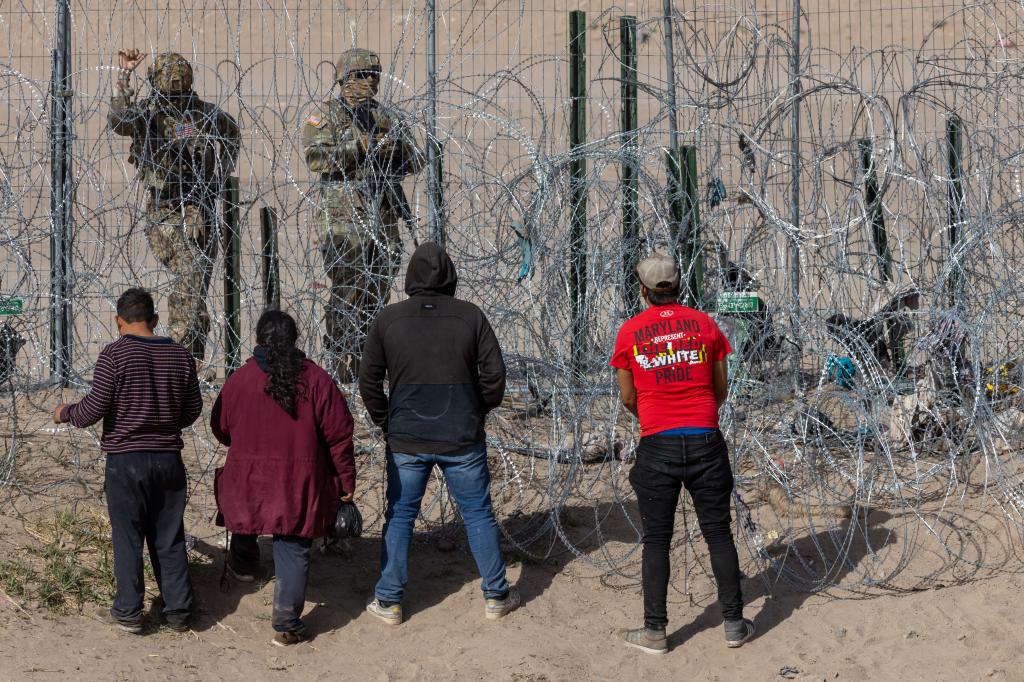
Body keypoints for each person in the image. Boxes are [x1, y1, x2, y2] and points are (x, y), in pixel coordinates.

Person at [358, 242, 519, 625]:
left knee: (399, 516)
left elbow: (368, 381)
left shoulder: (388, 319)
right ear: (450, 276)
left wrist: (387, 420)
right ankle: (496, 594)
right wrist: (476, 409)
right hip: (460, 434)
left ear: (410, 277)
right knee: (478, 513)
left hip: (406, 436)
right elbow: (495, 376)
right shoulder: (470, 317)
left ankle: (390, 601)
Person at [610, 253, 755, 654]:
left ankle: (655, 631)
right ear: (679, 287)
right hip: (706, 440)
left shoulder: (631, 332)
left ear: (642, 290)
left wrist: (655, 416)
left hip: (657, 444)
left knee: (657, 540)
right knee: (718, 534)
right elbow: (720, 388)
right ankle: (734, 625)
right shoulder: (705, 326)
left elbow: (627, 396)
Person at [53, 288, 201, 634]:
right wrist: (163, 422)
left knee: (128, 535)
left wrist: (65, 413)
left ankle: (129, 612)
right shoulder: (180, 356)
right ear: (155, 320)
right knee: (168, 535)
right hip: (168, 458)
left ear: (119, 321)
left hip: (126, 460)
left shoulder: (115, 355)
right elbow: (193, 408)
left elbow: (94, 409)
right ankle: (179, 610)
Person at [210, 310, 356, 647]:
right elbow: (339, 436)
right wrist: (346, 481)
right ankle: (286, 623)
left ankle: (245, 565)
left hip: (249, 476)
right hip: (297, 480)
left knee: (248, 514)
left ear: (258, 340)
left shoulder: (240, 380)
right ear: (294, 340)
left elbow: (221, 428)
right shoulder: (317, 380)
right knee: (292, 544)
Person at [109, 48, 241, 374]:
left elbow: (232, 133)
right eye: (169, 94)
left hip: (202, 210)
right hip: (166, 211)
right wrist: (124, 78)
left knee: (196, 287)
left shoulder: (203, 114)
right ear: (156, 89)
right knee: (190, 282)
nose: (176, 101)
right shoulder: (147, 116)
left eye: (180, 94)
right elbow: (119, 121)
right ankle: (180, 362)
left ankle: (191, 362)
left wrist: (220, 173)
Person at [302, 47, 424, 383]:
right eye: (363, 75)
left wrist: (395, 147)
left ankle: (368, 369)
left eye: (375, 75)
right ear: (345, 79)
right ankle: (343, 367)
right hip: (345, 222)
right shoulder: (326, 117)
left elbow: (415, 161)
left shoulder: (386, 117)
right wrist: (360, 148)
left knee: (377, 295)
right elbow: (315, 158)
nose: (371, 81)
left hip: (382, 219)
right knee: (348, 293)